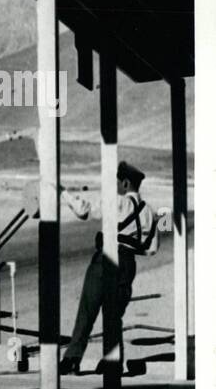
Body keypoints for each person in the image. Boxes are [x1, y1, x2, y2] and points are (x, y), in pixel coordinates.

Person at [60, 161, 157, 375]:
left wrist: (64, 194)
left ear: (124, 183)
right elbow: (151, 249)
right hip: (128, 263)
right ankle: (112, 360)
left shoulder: (117, 202)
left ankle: (72, 358)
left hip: (106, 259)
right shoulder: (148, 211)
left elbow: (83, 211)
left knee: (88, 309)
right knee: (114, 315)